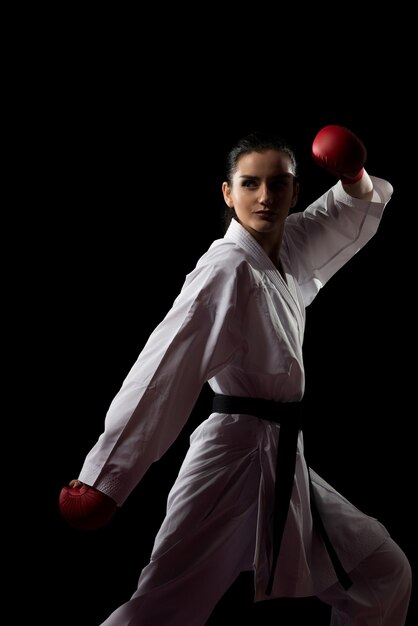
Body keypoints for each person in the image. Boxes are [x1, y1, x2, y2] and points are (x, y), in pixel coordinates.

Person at [60, 125, 411, 625]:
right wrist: (103, 478)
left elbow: (341, 215)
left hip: (280, 453)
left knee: (381, 571)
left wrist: (354, 176)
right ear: (228, 192)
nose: (265, 196)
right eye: (250, 183)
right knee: (163, 608)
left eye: (278, 184)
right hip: (232, 457)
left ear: (294, 192)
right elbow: (162, 370)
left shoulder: (285, 247)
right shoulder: (225, 269)